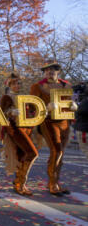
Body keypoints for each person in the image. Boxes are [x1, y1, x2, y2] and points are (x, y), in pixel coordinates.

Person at [31, 61, 77, 195]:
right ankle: (52, 183)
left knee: (61, 152)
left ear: (58, 72)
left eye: (52, 70)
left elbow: (69, 102)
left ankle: (56, 181)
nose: (49, 72)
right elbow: (32, 106)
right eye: (46, 70)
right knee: (56, 150)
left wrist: (73, 106)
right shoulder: (38, 86)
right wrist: (45, 108)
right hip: (48, 121)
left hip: (64, 122)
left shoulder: (66, 85)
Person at [0, 73, 38, 196]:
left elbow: (33, 111)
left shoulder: (25, 97)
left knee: (22, 155)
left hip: (26, 128)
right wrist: (11, 112)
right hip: (14, 129)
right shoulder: (6, 97)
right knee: (32, 153)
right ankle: (21, 181)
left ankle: (19, 183)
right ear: (9, 85)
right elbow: (0, 113)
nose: (17, 85)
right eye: (14, 83)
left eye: (19, 83)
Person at [73, 83, 88, 168]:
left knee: (86, 149)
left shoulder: (85, 102)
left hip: (84, 130)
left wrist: (76, 108)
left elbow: (81, 111)